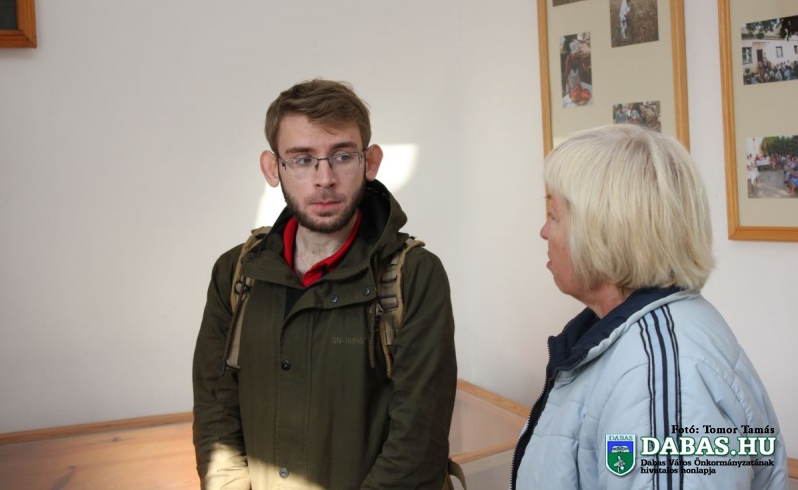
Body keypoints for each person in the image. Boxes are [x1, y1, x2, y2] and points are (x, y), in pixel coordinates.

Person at [192, 79, 458, 489]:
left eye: (342, 156)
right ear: (272, 168)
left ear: (370, 162)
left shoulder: (415, 275)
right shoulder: (236, 273)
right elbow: (216, 418)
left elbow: (417, 445)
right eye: (302, 159)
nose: (324, 179)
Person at [511, 125, 786, 489]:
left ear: (603, 233)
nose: (544, 232)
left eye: (554, 215)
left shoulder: (657, 381)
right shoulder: (639, 341)